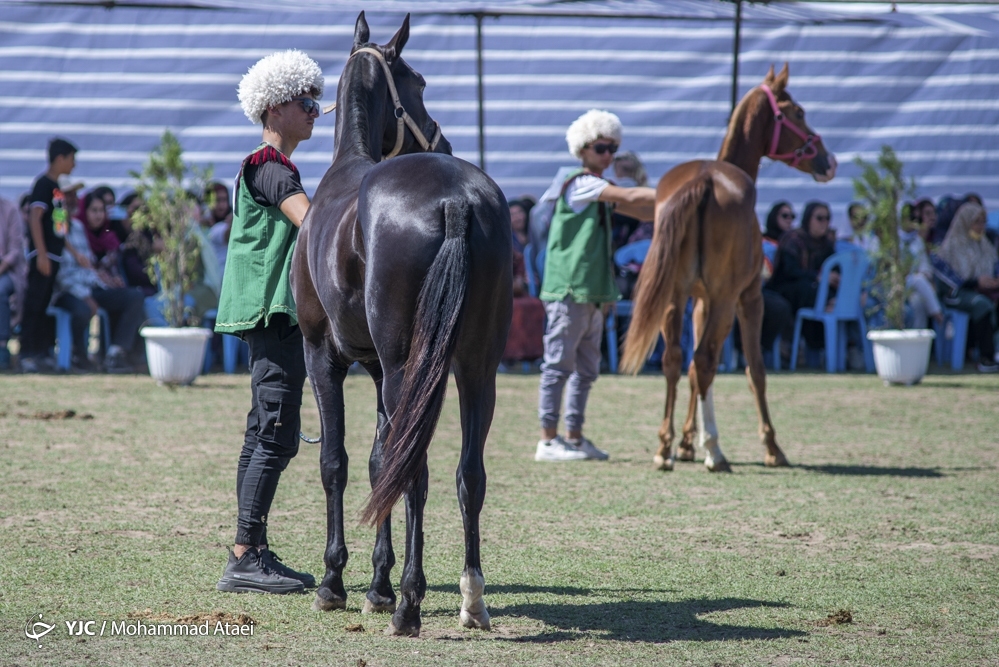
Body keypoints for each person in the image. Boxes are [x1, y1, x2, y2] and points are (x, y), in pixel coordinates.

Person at [213, 49, 324, 594]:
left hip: (270, 311)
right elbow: (310, 221)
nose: (315, 111)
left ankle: (250, 548)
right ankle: (243, 557)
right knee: (275, 434)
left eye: (317, 101)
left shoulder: (273, 166)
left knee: (263, 430)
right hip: (273, 311)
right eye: (307, 101)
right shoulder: (269, 166)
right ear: (275, 107)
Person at [535, 109, 656, 462]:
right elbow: (635, 201)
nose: (608, 155)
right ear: (584, 149)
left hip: (590, 292)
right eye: (602, 148)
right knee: (558, 366)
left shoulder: (597, 187)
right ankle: (547, 440)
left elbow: (641, 210)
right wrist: (679, 193)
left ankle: (572, 437)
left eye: (613, 149)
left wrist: (674, 205)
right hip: (570, 289)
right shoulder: (582, 182)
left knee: (586, 370)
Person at [52, 190, 145, 373]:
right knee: (83, 309)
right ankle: (76, 355)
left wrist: (106, 280)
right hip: (68, 291)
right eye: (66, 196)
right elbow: (61, 275)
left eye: (73, 196)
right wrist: (85, 295)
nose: (71, 200)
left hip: (90, 286)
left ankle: (115, 354)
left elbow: (87, 266)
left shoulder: (77, 226)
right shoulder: (57, 227)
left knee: (134, 296)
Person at [21, 138, 79, 373]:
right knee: (34, 304)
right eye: (72, 159)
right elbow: (35, 218)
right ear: (60, 158)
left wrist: (74, 253)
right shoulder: (43, 184)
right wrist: (41, 254)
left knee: (46, 305)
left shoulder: (58, 190)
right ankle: (26, 353)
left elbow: (60, 227)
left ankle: (42, 352)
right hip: (44, 256)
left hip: (56, 257)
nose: (74, 165)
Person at [931, 202, 999, 372]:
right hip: (954, 294)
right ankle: (986, 358)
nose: (981, 227)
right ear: (965, 222)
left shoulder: (985, 245)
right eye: (977, 222)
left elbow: (993, 267)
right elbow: (947, 281)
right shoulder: (951, 246)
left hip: (983, 291)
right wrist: (976, 282)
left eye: (983, 222)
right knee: (981, 304)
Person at [768, 201, 837, 354]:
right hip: (786, 290)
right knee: (809, 288)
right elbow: (789, 272)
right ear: (808, 218)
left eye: (827, 218)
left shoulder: (826, 245)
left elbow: (835, 270)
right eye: (819, 218)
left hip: (812, 290)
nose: (824, 223)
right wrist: (818, 277)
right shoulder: (793, 240)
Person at [0, 195, 27, 370]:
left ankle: (2, 347)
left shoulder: (10, 209)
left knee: (0, 290)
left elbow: (15, 251)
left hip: (7, 269)